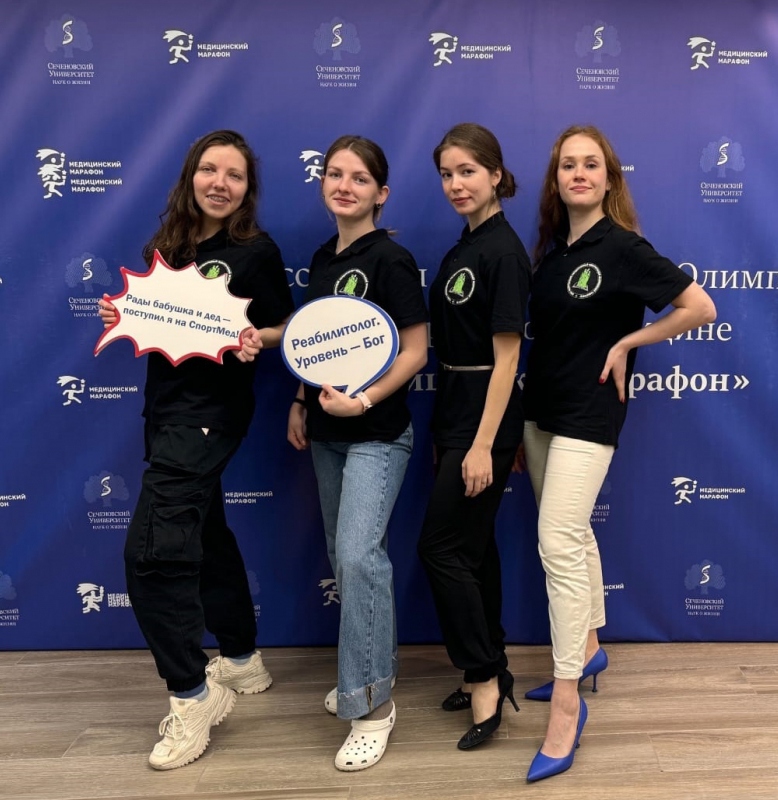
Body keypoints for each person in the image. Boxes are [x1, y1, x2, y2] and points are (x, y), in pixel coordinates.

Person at [522, 125, 716, 782]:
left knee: (557, 542)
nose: (578, 173)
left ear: (609, 177)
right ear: (556, 180)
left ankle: (567, 702)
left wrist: (631, 342)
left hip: (590, 412)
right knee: (573, 535)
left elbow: (699, 307)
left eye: (591, 164)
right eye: (567, 165)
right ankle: (590, 648)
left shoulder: (624, 247)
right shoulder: (552, 254)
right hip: (541, 415)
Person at [98, 130, 294, 770]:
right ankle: (240, 657)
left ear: (247, 189)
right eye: (210, 170)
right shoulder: (168, 248)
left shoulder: (255, 250)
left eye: (235, 175)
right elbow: (159, 324)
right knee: (205, 531)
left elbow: (286, 324)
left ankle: (192, 695)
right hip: (164, 413)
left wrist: (257, 338)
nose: (220, 183)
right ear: (191, 176)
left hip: (210, 418)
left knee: (152, 555)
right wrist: (124, 316)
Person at [287, 135, 428, 771]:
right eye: (335, 174)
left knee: (359, 557)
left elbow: (416, 350)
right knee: (346, 565)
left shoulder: (392, 259)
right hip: (326, 434)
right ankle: (363, 674)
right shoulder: (323, 258)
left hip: (378, 433)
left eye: (360, 178)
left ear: (380, 193)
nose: (345, 185)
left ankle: (372, 706)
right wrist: (300, 400)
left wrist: (365, 400)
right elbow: (313, 343)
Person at [417, 123, 530, 750]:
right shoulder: (465, 245)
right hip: (456, 411)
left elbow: (507, 358)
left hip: (484, 418)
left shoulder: (503, 252)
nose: (456, 184)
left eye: (467, 171)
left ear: (495, 174)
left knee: (440, 548)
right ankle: (492, 663)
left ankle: (483, 675)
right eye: (446, 174)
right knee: (474, 550)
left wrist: (485, 444)